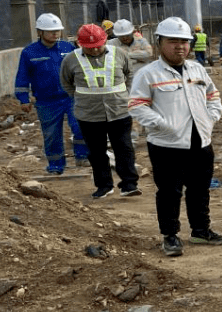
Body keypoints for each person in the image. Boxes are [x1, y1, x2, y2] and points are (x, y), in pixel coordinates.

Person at [128, 16, 222, 257]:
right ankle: (170, 235)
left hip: (200, 140)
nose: (180, 46)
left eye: (185, 42)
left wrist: (211, 117)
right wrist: (162, 124)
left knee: (200, 189)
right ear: (160, 42)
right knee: (169, 191)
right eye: (173, 41)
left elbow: (212, 95)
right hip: (166, 144)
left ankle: (201, 230)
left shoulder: (197, 68)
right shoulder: (148, 74)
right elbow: (137, 105)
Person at [59, 24, 141, 199]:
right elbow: (66, 82)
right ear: (80, 45)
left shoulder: (119, 54)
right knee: (96, 152)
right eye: (90, 47)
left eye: (98, 45)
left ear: (105, 40)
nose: (95, 49)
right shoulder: (70, 60)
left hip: (119, 111)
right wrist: (82, 98)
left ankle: (129, 184)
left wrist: (122, 95)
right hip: (89, 115)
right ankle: (104, 185)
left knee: (124, 148)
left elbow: (129, 74)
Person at [13, 13, 89, 174]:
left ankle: (83, 157)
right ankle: (56, 165)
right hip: (46, 101)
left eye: (57, 31)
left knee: (81, 126)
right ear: (40, 32)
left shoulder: (68, 48)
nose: (55, 34)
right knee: (52, 134)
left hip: (71, 97)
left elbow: (81, 69)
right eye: (50, 31)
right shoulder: (29, 52)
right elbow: (22, 76)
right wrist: (23, 99)